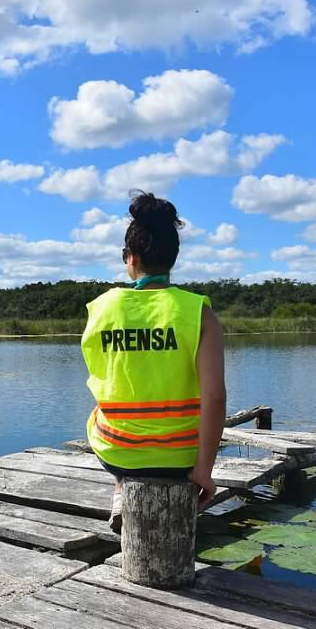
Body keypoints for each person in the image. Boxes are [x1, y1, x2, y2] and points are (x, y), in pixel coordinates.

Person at [80, 191, 226, 533]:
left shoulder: (100, 308)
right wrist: (203, 471)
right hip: (182, 459)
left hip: (118, 452)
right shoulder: (199, 313)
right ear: (173, 257)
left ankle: (121, 486)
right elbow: (215, 398)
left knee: (96, 416)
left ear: (130, 259)